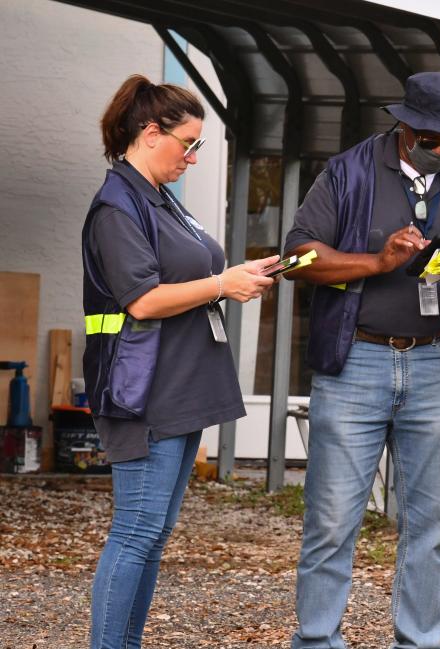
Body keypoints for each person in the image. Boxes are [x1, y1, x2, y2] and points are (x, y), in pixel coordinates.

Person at [282, 71, 440, 649]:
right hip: (357, 361)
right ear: (403, 127)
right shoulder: (348, 172)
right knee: (333, 520)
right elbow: (297, 259)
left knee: (430, 526)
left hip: (437, 365)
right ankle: (316, 640)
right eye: (431, 140)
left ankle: (420, 641)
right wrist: (378, 263)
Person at [83, 74, 277, 649]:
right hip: (145, 391)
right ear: (149, 133)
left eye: (199, 147)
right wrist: (222, 282)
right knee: (136, 533)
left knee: (152, 534)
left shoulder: (154, 197)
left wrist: (240, 276)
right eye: (188, 143)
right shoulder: (116, 206)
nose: (193, 156)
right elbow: (142, 299)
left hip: (178, 386)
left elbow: (187, 274)